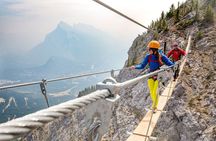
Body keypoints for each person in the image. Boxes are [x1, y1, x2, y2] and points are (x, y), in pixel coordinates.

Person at [130, 40, 174, 113]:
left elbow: (170, 63)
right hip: (150, 75)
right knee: (151, 92)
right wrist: (135, 67)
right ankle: (154, 105)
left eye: (149, 49)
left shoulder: (161, 56)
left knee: (154, 92)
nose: (148, 50)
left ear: (154, 50)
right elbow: (142, 65)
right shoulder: (148, 56)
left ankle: (154, 107)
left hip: (158, 76)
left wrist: (174, 65)